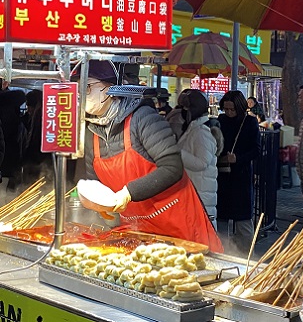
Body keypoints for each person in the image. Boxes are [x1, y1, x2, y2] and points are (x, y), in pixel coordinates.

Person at [75, 60, 223, 252]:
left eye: (87, 87)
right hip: (138, 232)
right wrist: (100, 206)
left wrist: (128, 193)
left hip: (179, 225)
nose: (82, 95)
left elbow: (173, 167)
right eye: (78, 90)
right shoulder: (92, 133)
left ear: (110, 89)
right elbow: (95, 182)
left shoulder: (143, 118)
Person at [216, 90, 261, 257]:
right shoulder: (220, 121)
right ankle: (223, 252)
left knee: (243, 220)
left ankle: (247, 255)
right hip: (222, 174)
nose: (228, 113)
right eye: (226, 109)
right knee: (221, 217)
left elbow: (256, 149)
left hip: (240, 175)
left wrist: (238, 159)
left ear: (240, 108)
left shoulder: (249, 122)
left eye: (232, 109)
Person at [176, 89, 224, 230]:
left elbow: (202, 162)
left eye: (184, 108)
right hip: (195, 193)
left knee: (203, 241)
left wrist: (176, 152)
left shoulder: (201, 132)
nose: (181, 112)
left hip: (201, 195)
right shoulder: (193, 129)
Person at [22, 90, 53, 186]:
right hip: (39, 161)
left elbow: (35, 143)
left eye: (29, 106)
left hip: (38, 162)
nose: (28, 109)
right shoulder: (38, 116)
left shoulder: (40, 117)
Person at [0, 80, 26, 193]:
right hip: (8, 160)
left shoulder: (7, 100)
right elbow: (20, 95)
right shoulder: (7, 101)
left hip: (8, 160)